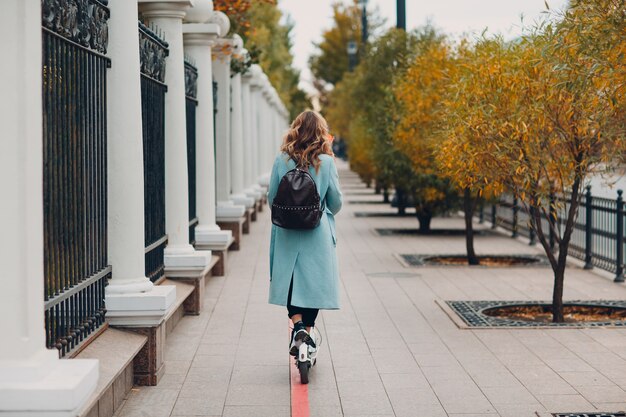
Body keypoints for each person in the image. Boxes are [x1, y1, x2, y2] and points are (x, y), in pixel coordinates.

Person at [267, 110, 343, 356]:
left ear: (295, 130)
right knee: (314, 286)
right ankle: (305, 336)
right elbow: (336, 203)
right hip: (316, 232)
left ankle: (298, 325)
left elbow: (271, 198)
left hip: (287, 232)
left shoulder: (282, 160)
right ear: (321, 132)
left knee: (290, 280)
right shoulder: (327, 162)